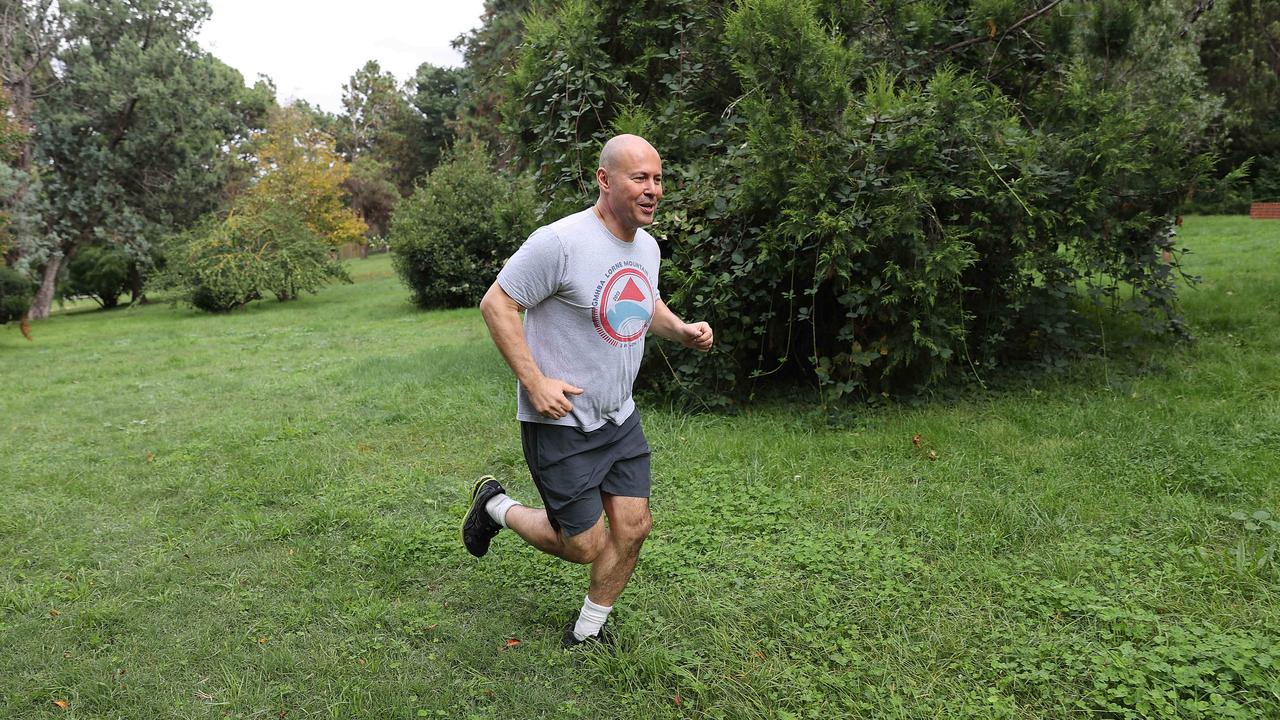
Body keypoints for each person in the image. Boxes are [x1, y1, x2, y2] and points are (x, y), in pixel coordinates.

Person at [466, 134, 713, 649]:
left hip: (618, 415)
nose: (653, 190)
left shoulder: (647, 246)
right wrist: (534, 381)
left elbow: (643, 303)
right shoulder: (559, 243)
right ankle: (495, 507)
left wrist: (681, 329)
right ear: (604, 180)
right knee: (583, 545)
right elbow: (497, 304)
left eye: (658, 178)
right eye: (639, 178)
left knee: (634, 525)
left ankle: (587, 633)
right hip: (562, 420)